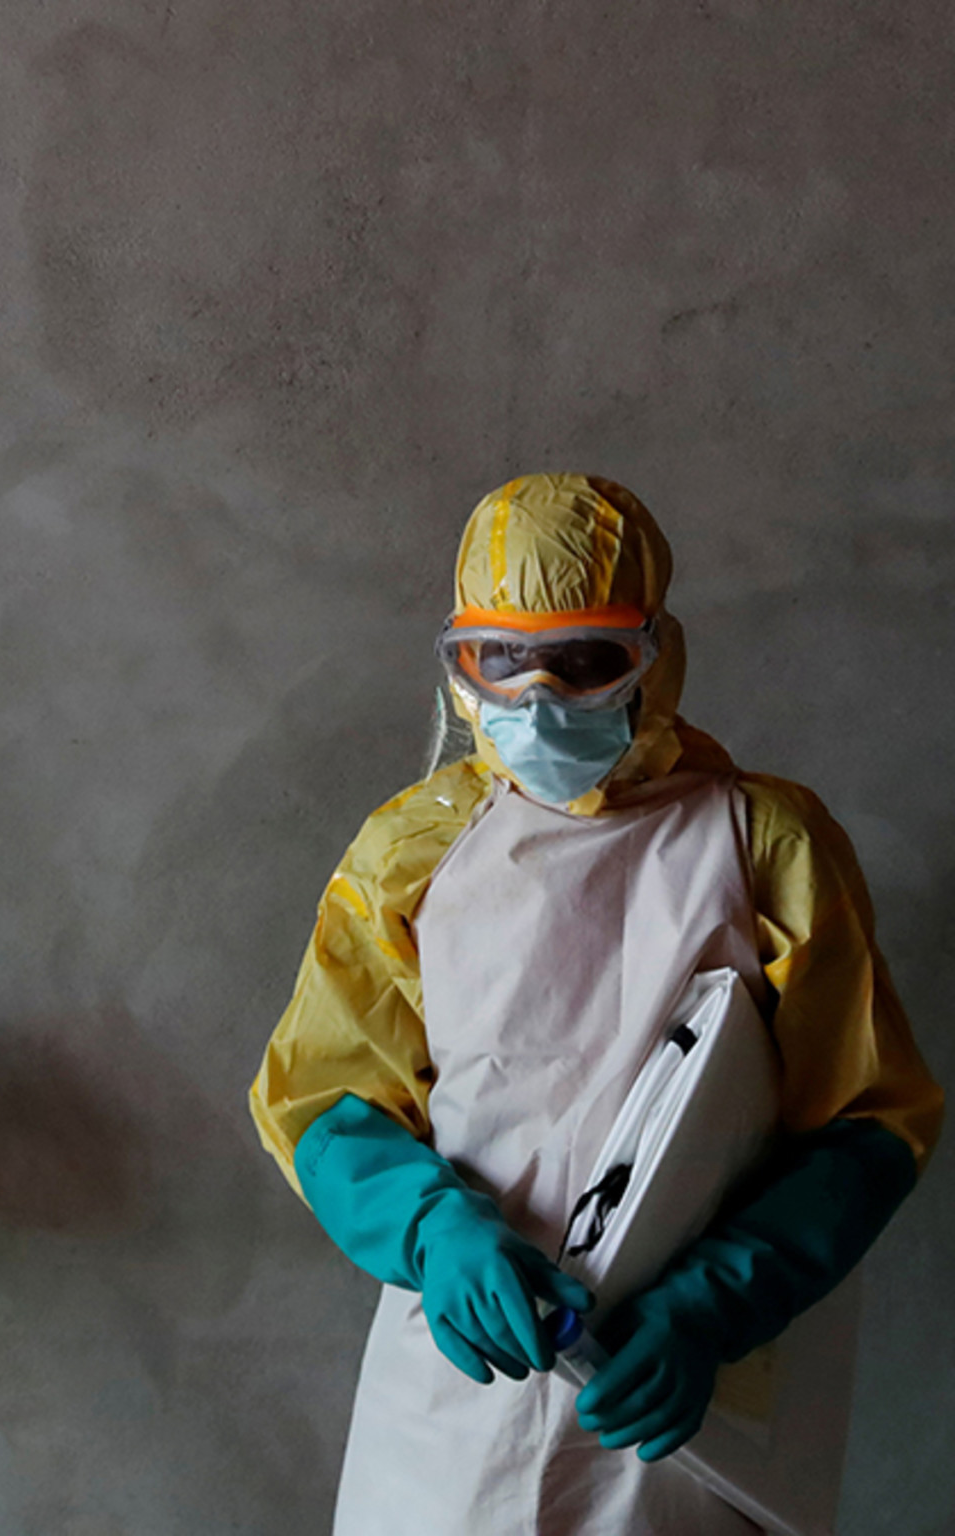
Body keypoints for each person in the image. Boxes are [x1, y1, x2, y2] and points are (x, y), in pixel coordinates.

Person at [249, 473, 943, 1535]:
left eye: (583, 663)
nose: (534, 699)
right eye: (499, 660)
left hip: (668, 1401)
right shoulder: (407, 857)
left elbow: (865, 1122)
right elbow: (326, 1100)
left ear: (652, 657)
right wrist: (434, 1235)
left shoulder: (766, 846)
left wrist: (712, 1307)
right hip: (460, 1395)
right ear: (458, 663)